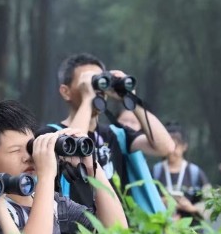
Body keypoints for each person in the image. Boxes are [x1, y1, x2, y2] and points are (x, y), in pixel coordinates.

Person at [0, 100, 127, 234]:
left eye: (31, 147)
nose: (28, 157)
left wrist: (92, 165)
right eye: (15, 150)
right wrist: (46, 176)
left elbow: (117, 233)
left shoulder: (57, 205)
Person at [51, 53, 175, 213]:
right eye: (87, 82)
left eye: (98, 81)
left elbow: (165, 147)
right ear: (65, 91)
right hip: (78, 232)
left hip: (118, 231)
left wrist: (130, 98)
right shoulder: (51, 135)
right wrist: (88, 98)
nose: (95, 89)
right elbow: (73, 149)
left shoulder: (116, 134)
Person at [151, 124, 211, 226]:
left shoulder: (195, 172)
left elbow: (210, 203)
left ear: (184, 146)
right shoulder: (156, 171)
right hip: (161, 229)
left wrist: (191, 208)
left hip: (191, 231)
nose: (171, 150)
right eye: (167, 145)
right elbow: (146, 198)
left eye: (175, 146)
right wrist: (164, 201)